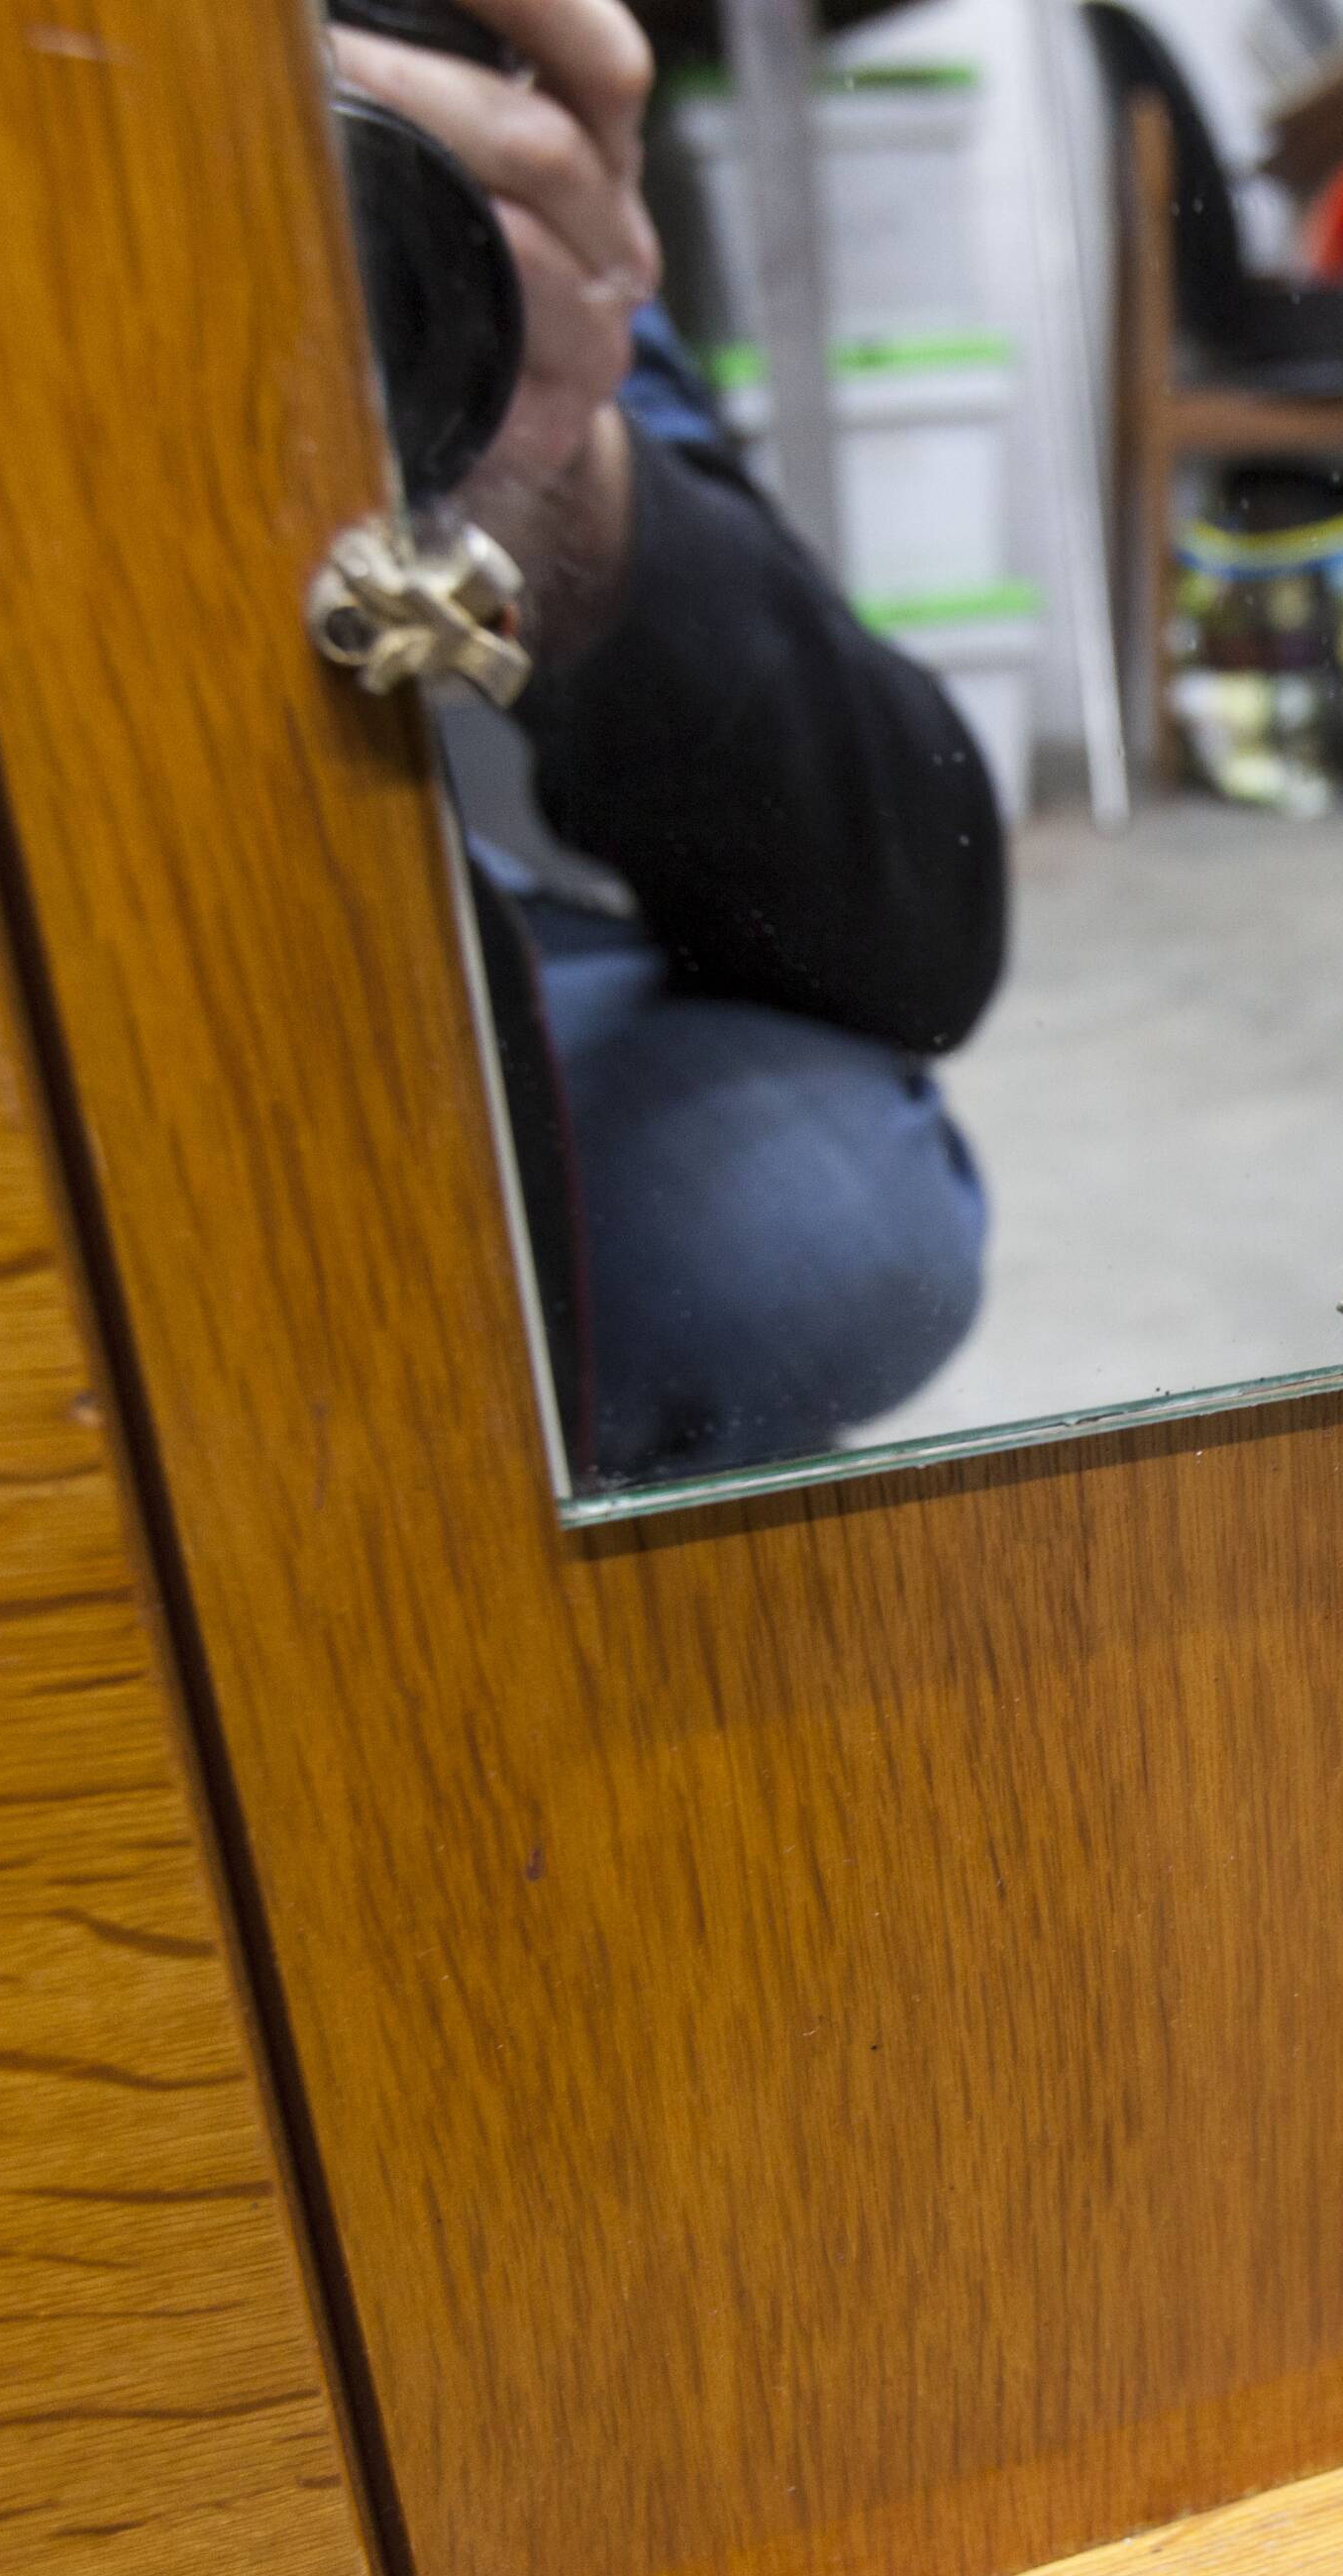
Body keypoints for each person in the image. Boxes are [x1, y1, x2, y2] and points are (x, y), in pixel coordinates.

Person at [336, 0, 1007, 1484]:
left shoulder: (423, 159)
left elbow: (912, 927)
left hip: (399, 942)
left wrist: (558, 480)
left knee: (817, 1218)